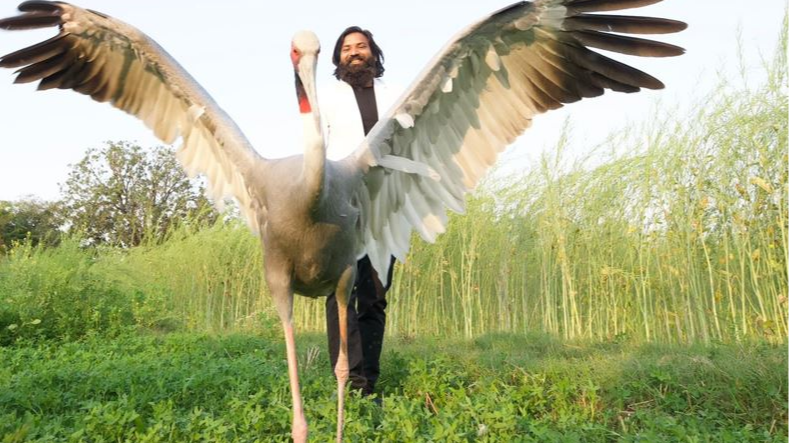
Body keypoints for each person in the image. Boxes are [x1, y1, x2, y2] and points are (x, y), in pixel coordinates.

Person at [322, 26, 399, 397]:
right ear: (338, 58)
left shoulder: (394, 98)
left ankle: (370, 381)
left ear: (373, 53)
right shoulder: (328, 97)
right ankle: (350, 381)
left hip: (385, 207)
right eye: (347, 48)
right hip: (342, 206)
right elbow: (314, 153)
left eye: (361, 46)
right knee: (340, 295)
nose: (354, 52)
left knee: (375, 296)